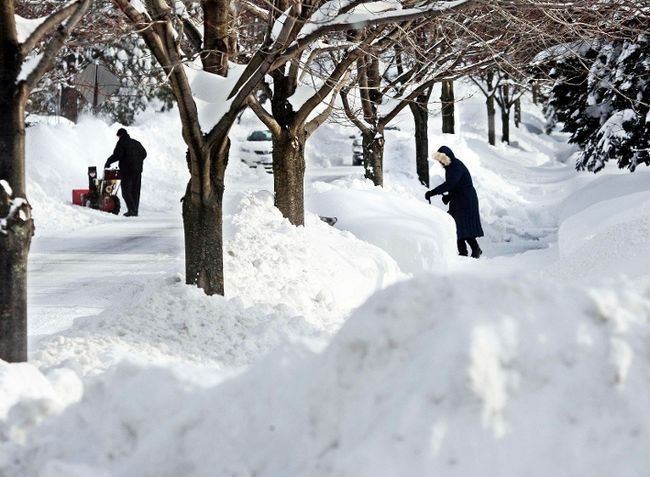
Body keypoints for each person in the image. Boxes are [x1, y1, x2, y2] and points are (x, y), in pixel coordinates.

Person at [424, 145, 484, 258]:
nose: (440, 163)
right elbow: (454, 185)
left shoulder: (456, 166)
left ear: (446, 158)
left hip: (466, 199)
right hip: (459, 199)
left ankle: (474, 250)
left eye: (441, 160)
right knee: (456, 226)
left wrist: (433, 192)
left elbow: (450, 184)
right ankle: (464, 252)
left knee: (461, 226)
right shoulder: (450, 167)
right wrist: (449, 197)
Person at [104, 128, 146, 217]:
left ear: (120, 135)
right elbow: (144, 153)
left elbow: (117, 155)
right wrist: (137, 161)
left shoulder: (122, 142)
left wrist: (108, 162)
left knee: (126, 191)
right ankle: (135, 211)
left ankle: (132, 210)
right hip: (138, 170)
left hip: (127, 170)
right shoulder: (136, 143)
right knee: (135, 191)